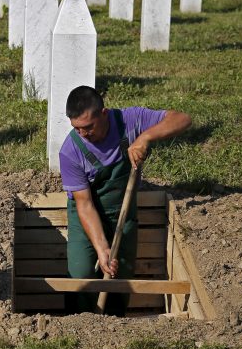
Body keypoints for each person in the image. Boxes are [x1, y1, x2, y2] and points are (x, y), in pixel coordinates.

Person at [59, 86, 192, 316]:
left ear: (104, 113)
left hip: (123, 212)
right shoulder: (71, 151)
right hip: (87, 216)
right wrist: (102, 250)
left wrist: (145, 137)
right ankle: (78, 328)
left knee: (122, 278)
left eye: (88, 127)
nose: (83, 134)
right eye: (77, 129)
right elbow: (84, 204)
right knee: (80, 275)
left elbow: (183, 119)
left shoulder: (129, 120)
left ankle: (115, 329)